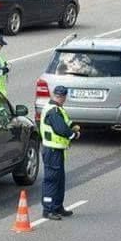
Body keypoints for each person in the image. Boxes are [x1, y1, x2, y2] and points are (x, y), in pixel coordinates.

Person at [40, 86, 80, 220]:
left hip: (56, 150)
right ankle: (48, 208)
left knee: (59, 180)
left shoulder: (57, 109)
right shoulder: (53, 111)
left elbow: (66, 123)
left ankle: (57, 206)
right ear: (63, 97)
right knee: (51, 180)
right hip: (52, 150)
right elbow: (60, 129)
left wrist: (73, 126)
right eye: (61, 97)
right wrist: (73, 134)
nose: (61, 99)